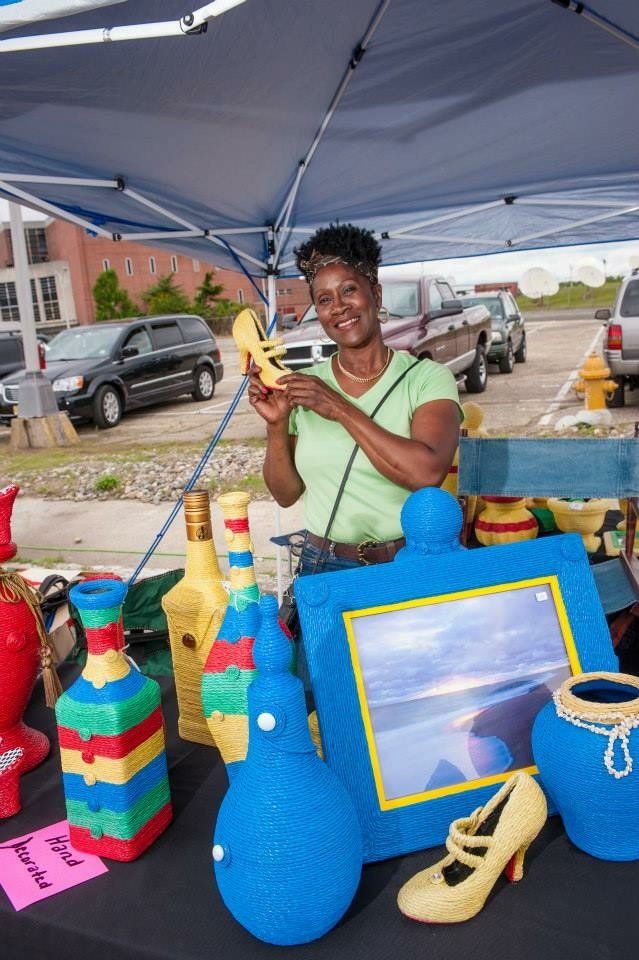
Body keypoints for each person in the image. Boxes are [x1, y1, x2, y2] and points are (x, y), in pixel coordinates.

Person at [248, 223, 462, 576]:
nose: (339, 308)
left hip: (406, 562)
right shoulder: (307, 385)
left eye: (349, 290)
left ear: (376, 294)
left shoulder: (426, 379)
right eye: (325, 300)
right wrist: (277, 424)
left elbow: (426, 474)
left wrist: (338, 407)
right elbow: (285, 495)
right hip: (322, 563)